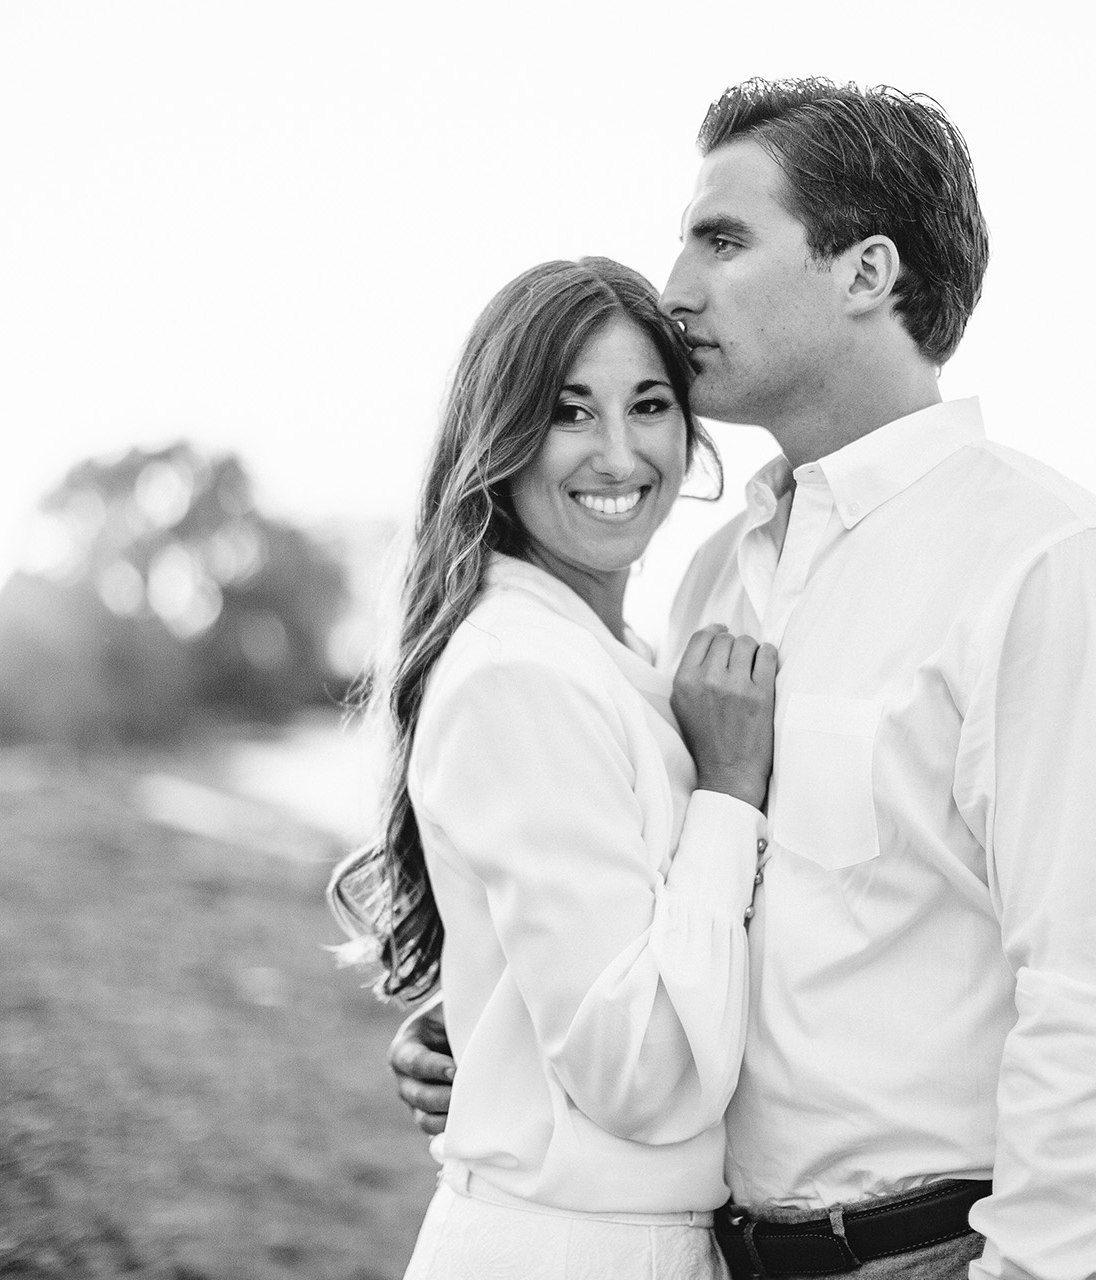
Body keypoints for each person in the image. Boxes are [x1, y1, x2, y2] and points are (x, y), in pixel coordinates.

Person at [391, 79, 1096, 1280]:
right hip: (719, 1250)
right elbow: (667, 900)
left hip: (934, 1251)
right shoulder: (719, 573)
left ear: (867, 271)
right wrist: (499, 1017)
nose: (675, 289)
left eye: (722, 239)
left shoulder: (1052, 567)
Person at [331, 256, 781, 1280]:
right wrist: (729, 792)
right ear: (500, 435)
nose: (619, 453)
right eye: (570, 411)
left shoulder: (605, 656)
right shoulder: (520, 671)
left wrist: (483, 1038)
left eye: (650, 404)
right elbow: (641, 1065)